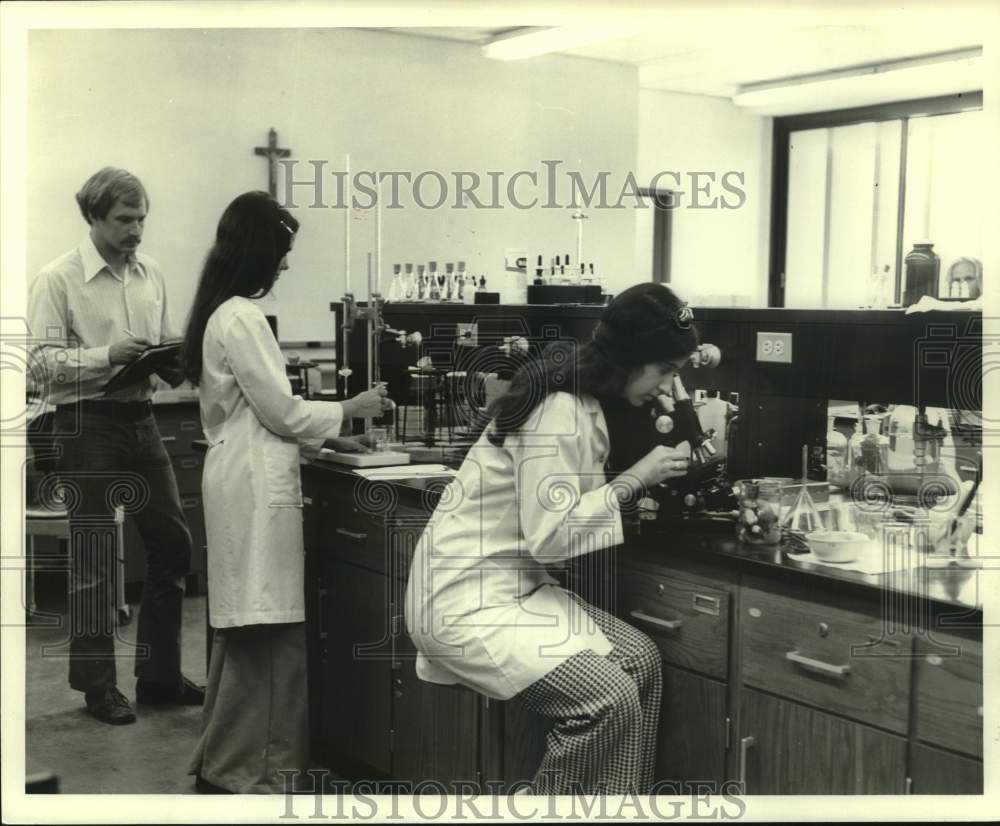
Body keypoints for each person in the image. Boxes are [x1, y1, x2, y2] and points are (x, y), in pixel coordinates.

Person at [404, 282, 698, 794]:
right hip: (467, 600)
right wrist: (636, 480)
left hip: (515, 589)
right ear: (631, 358)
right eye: (666, 370)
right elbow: (550, 536)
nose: (668, 385)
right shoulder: (558, 410)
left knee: (642, 661)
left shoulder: (583, 400)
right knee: (607, 697)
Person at [181, 191, 387, 794]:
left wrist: (325, 443)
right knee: (264, 630)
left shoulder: (220, 311)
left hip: (242, 475)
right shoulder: (241, 316)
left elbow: (262, 418)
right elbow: (281, 412)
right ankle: (255, 772)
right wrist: (352, 408)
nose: (287, 265)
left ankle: (225, 758)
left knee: (246, 627)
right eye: (283, 252)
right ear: (260, 251)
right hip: (252, 486)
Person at [27, 167, 202, 726]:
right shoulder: (58, 279)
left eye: (142, 219)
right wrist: (108, 355)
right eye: (125, 220)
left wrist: (175, 360)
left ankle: (158, 676)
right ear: (94, 217)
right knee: (96, 558)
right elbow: (41, 363)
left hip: (142, 419)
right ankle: (98, 687)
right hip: (85, 424)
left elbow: (165, 338)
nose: (137, 231)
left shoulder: (150, 273)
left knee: (173, 545)